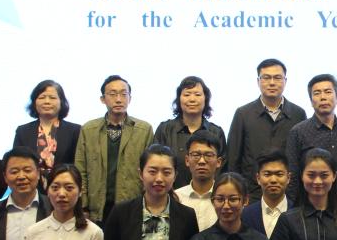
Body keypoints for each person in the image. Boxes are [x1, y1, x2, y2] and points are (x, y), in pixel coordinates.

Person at [74, 75, 153, 222]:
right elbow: (80, 170)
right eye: (112, 94)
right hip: (96, 209)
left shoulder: (144, 130)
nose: (118, 99)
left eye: (124, 94)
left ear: (130, 98)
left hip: (132, 207)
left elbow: (149, 171)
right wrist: (83, 206)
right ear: (102, 99)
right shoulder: (88, 130)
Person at [227, 58, 308, 199]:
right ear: (258, 81)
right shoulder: (243, 114)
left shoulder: (298, 114)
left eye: (277, 78)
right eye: (266, 78)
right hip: (252, 195)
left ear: (285, 81)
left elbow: (302, 158)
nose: (272, 82)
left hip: (288, 196)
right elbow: (233, 159)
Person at [285, 74, 337, 202]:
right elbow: (292, 175)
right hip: (308, 202)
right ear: (311, 101)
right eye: (317, 93)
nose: (323, 97)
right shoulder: (298, 131)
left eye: (328, 92)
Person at [154, 75, 228, 188]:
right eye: (187, 94)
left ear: (205, 99)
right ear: (179, 99)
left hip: (208, 195)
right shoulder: (165, 129)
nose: (192, 99)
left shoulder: (216, 132)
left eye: (197, 94)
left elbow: (222, 169)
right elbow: (156, 163)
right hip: (171, 194)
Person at [13, 80, 82, 189]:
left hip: (64, 190)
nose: (47, 101)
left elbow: (79, 166)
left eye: (52, 98)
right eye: (42, 97)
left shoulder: (75, 130)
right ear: (34, 102)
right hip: (32, 191)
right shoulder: (22, 131)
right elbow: (16, 162)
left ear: (61, 102)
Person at [174, 130, 224, 231]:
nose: (202, 161)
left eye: (208, 155)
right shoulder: (176, 198)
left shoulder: (226, 200)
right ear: (187, 160)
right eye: (196, 155)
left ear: (218, 162)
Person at [243, 149, 294, 240]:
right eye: (267, 174)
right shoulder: (245, 215)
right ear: (258, 178)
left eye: (279, 174)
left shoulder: (298, 214)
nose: (273, 180)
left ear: (288, 178)